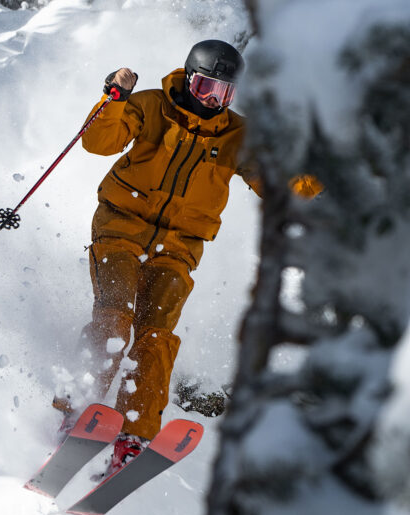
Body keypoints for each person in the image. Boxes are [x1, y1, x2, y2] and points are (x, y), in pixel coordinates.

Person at [53, 40, 321, 475]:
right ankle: (76, 409)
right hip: (120, 226)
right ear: (187, 79)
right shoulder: (152, 106)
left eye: (224, 93)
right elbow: (99, 143)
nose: (213, 100)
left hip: (178, 247)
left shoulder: (238, 137)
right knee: (116, 315)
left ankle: (133, 436)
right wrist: (114, 99)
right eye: (204, 87)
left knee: (156, 335)